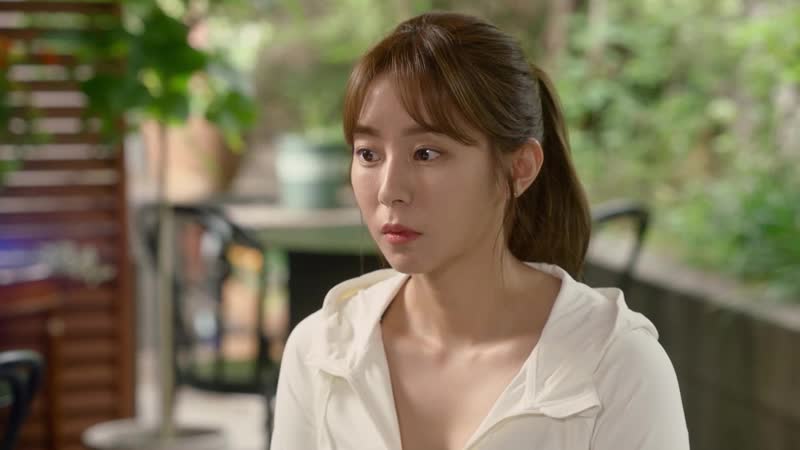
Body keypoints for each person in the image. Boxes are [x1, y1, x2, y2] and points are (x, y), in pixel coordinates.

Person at [270, 11, 689, 450]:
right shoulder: (321, 353)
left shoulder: (617, 366)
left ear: (520, 168)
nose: (390, 190)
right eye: (369, 154)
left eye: (426, 153)